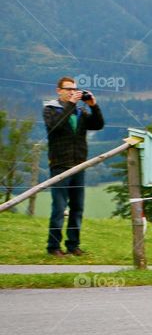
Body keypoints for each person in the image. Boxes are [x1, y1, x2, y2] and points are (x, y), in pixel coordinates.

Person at [43, 76, 104, 256]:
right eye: (68, 88)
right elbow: (56, 127)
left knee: (77, 207)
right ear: (59, 90)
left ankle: (73, 245)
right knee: (59, 208)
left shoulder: (79, 112)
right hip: (60, 165)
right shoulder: (50, 109)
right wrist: (70, 105)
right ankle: (53, 247)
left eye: (74, 89)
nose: (72, 91)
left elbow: (98, 124)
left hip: (79, 165)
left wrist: (93, 105)